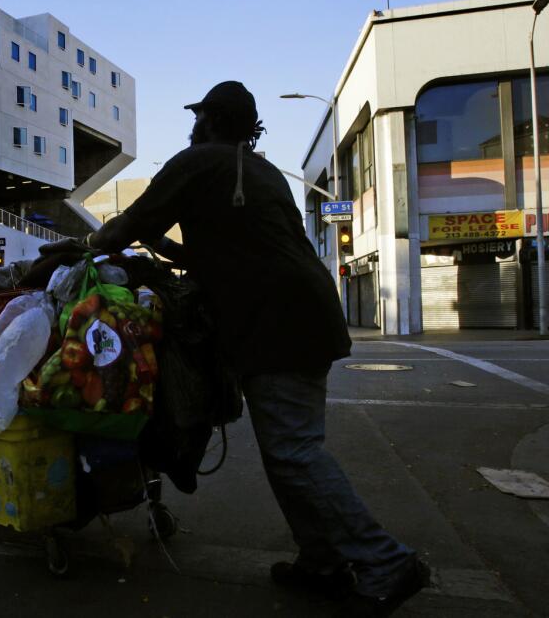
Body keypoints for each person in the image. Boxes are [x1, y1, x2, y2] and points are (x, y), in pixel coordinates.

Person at [45, 81, 428, 616]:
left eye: (200, 117)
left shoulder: (199, 161)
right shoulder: (261, 172)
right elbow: (229, 251)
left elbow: (126, 225)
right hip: (304, 316)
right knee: (288, 451)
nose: (193, 126)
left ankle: (386, 560)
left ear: (214, 121)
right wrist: (160, 246)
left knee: (295, 451)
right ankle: (320, 560)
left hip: (278, 325)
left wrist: (84, 244)